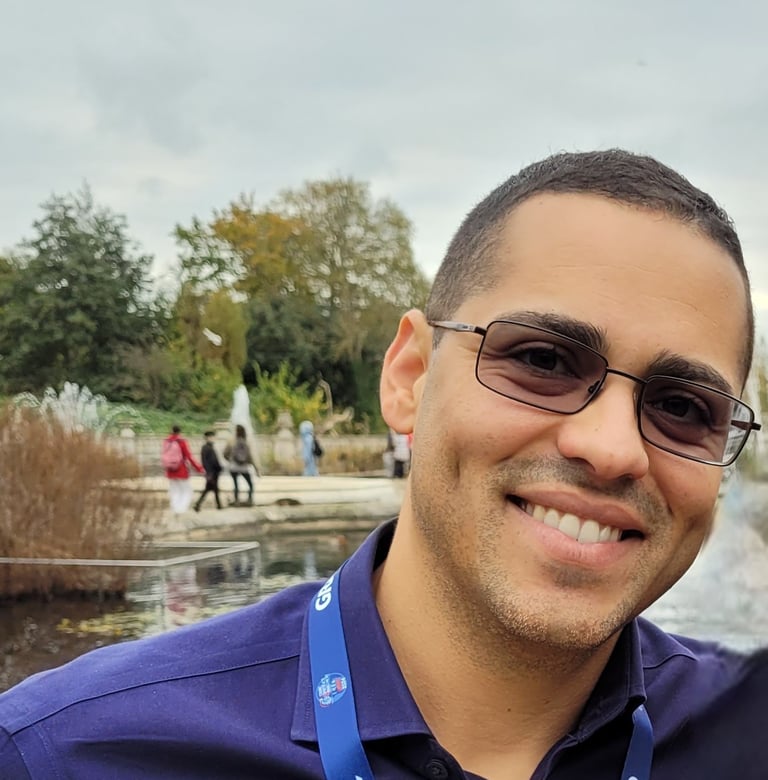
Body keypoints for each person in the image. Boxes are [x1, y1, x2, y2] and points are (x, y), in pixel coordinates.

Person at [0, 149, 765, 779]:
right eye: (543, 360)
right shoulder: (67, 756)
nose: (611, 447)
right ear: (409, 377)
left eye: (683, 407)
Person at [161, 424, 204, 515]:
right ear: (179, 431)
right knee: (187, 490)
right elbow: (189, 457)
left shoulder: (166, 441)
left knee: (174, 490)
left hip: (170, 470)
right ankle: (181, 509)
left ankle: (175, 508)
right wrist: (199, 468)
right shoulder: (181, 442)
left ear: (171, 430)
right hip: (181, 469)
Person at [223, 423, 258, 506]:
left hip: (233, 467)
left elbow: (224, 453)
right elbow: (250, 456)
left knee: (236, 485)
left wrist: (230, 460)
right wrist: (256, 468)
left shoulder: (231, 441)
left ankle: (236, 501)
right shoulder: (246, 441)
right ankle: (249, 500)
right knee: (250, 484)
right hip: (244, 467)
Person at [193, 430, 223, 511]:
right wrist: (209, 472)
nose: (213, 438)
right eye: (211, 437)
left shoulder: (210, 447)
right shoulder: (206, 448)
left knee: (211, 489)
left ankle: (218, 505)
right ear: (207, 438)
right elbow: (206, 462)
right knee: (210, 489)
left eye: (213, 437)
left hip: (214, 472)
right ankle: (199, 504)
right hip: (212, 472)